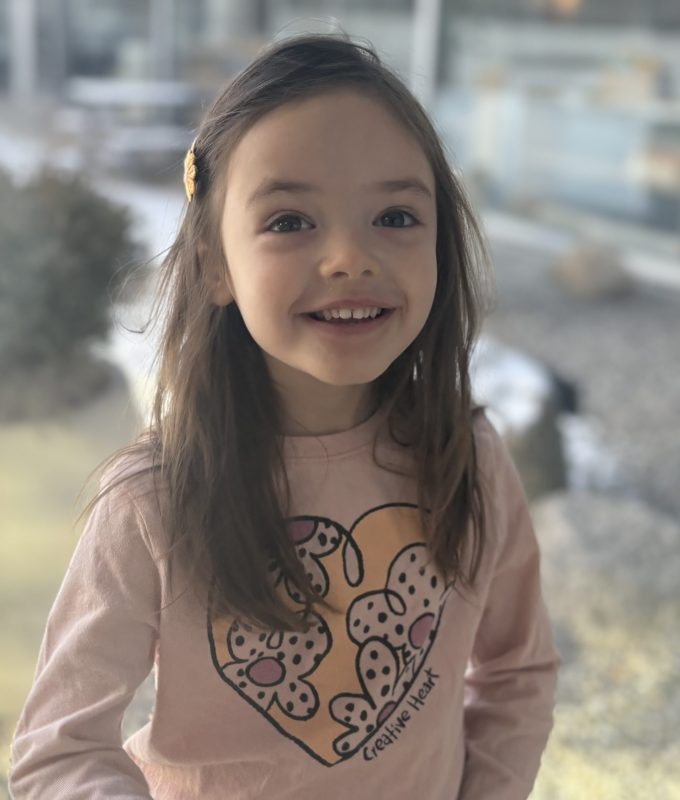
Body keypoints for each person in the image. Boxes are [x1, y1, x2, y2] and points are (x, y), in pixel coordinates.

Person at [8, 32, 561, 800]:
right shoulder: (153, 501)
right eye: (291, 222)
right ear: (215, 264)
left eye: (396, 216)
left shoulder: (464, 454)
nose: (349, 258)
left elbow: (517, 671)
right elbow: (59, 751)